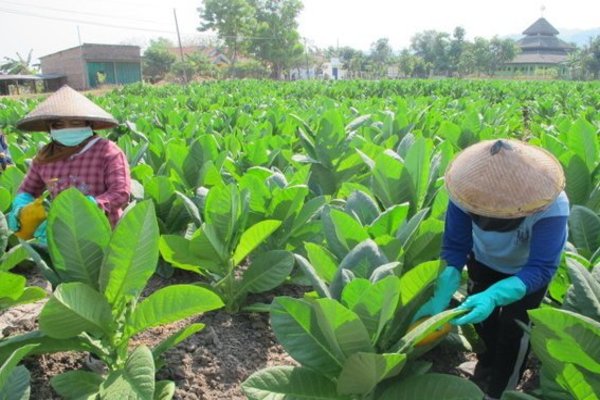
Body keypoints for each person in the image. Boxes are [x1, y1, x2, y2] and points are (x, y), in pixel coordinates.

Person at [414, 139, 569, 399]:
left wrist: (496, 295)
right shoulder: (464, 193)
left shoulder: (552, 206)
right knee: (482, 320)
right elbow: (455, 246)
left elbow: (541, 267)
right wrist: (444, 286)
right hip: (484, 261)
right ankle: (486, 363)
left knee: (514, 330)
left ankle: (501, 391)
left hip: (527, 274)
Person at [7, 85, 130, 243]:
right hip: (62, 236)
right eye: (58, 125)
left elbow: (120, 193)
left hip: (105, 235)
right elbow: (27, 189)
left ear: (89, 124)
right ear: (49, 128)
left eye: (75, 122)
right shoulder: (45, 157)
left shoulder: (108, 151)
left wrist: (90, 207)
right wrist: (20, 206)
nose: (67, 128)